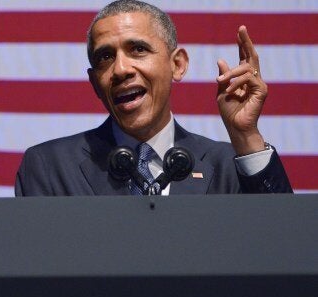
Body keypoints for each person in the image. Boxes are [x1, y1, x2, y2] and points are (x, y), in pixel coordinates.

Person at [15, 0, 292, 196]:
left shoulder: (228, 166)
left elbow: (283, 247)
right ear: (94, 83)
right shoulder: (49, 167)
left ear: (178, 65)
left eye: (137, 49)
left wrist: (245, 136)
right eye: (105, 57)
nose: (121, 69)